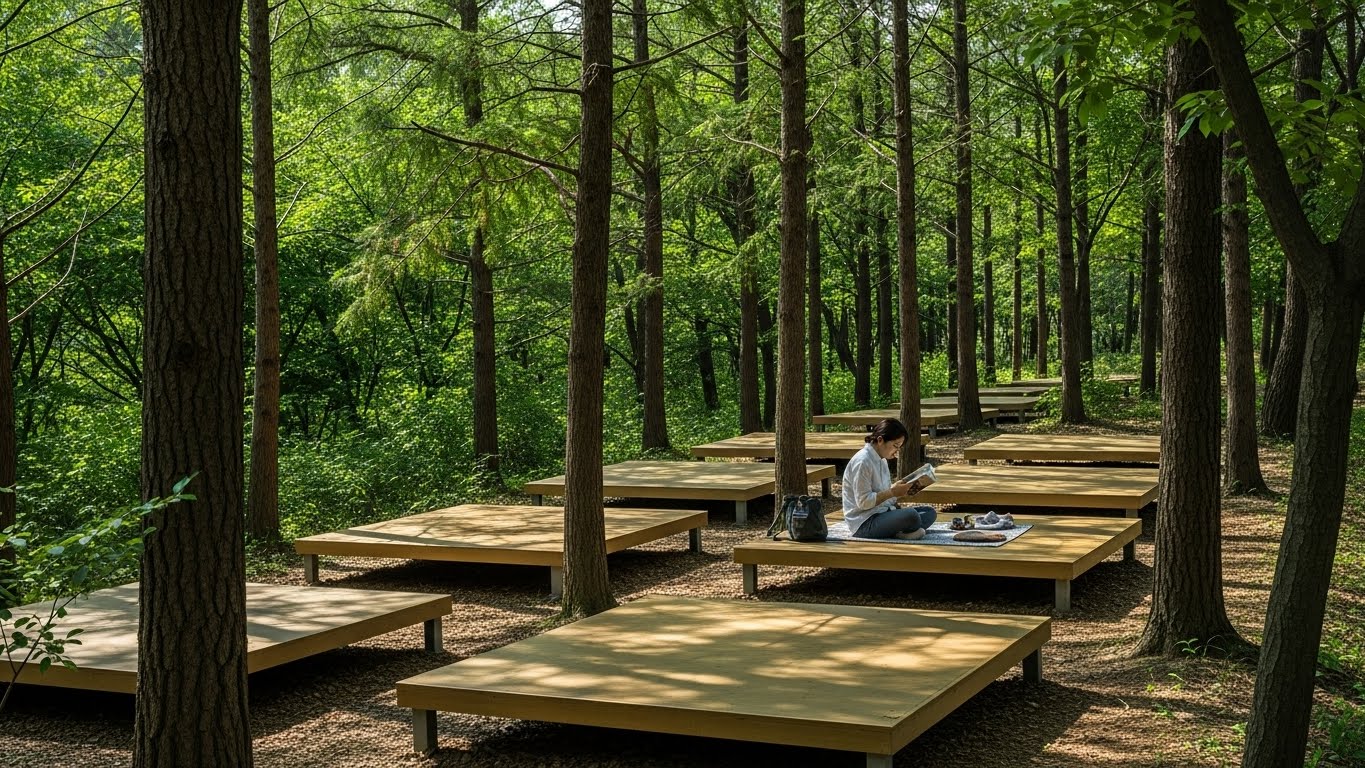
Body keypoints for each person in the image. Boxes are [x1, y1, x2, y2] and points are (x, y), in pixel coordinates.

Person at [841, 418, 936, 540]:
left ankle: (899, 531)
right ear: (880, 440)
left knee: (929, 512)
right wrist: (892, 492)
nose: (897, 451)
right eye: (896, 445)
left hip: (882, 513)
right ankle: (900, 532)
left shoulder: (882, 460)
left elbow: (884, 497)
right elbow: (863, 502)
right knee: (912, 516)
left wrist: (901, 492)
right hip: (864, 522)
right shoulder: (863, 462)